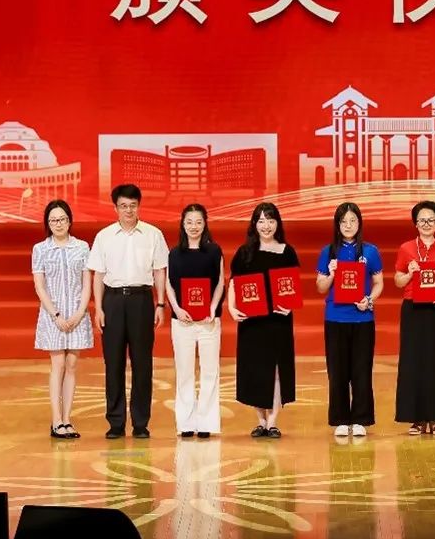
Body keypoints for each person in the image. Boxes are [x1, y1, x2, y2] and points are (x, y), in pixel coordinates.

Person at [88, 184, 168, 440]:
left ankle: (141, 423)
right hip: (112, 301)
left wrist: (160, 304)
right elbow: (98, 275)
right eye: (123, 206)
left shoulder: (153, 234)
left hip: (142, 300)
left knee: (142, 363)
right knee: (113, 363)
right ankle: (116, 422)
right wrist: (98, 308)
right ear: (115, 208)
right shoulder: (104, 236)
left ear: (138, 206)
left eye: (133, 205)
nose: (128, 210)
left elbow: (159, 271)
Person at [228, 202, 299, 439]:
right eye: (261, 221)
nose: (266, 226)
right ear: (254, 225)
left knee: (277, 370)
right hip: (252, 321)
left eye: (270, 220)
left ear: (277, 223)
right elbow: (234, 282)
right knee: (255, 370)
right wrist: (232, 307)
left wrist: (290, 306)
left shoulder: (287, 251)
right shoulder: (244, 252)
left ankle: (273, 422)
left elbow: (292, 285)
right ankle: (260, 421)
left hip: (278, 320)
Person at [315, 202, 384, 438]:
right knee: (337, 371)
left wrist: (369, 300)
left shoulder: (370, 251)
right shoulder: (328, 252)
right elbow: (321, 287)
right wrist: (332, 273)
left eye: (353, 221)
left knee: (362, 370)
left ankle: (361, 418)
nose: (348, 225)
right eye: (343, 221)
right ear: (337, 224)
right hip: (335, 317)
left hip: (362, 318)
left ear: (359, 223)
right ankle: (341, 419)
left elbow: (379, 283)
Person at [394, 201, 435, 436]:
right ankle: (417, 418)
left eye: (431, 220)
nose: (426, 224)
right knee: (413, 362)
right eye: (422, 220)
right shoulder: (406, 248)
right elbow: (398, 280)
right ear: (415, 223)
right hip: (413, 309)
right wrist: (409, 273)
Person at [32, 200, 93, 439]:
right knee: (57, 364)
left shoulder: (82, 247)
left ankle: (68, 420)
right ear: (48, 224)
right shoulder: (41, 249)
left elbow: (87, 284)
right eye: (53, 220)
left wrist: (79, 313)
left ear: (70, 221)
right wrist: (56, 315)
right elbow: (40, 286)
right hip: (53, 316)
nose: (58, 224)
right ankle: (56, 420)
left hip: (77, 314)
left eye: (62, 219)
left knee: (72, 365)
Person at [165, 204, 224, 439]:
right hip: (182, 322)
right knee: (184, 372)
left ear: (205, 223)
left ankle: (207, 422)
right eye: (189, 222)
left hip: (209, 320)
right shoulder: (174, 253)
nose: (194, 226)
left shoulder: (214, 251)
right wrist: (177, 309)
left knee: (210, 371)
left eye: (198, 222)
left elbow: (220, 282)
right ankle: (186, 423)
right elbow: (169, 284)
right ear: (183, 224)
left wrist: (212, 308)